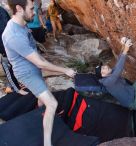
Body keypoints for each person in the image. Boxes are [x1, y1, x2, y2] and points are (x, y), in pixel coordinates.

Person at [2, 0, 76, 146]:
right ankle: (47, 143)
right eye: (31, 9)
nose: (35, 12)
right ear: (19, 8)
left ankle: (40, 118)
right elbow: (40, 62)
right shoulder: (13, 35)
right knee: (52, 103)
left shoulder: (21, 23)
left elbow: (33, 52)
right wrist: (65, 70)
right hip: (27, 74)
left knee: (42, 101)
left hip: (33, 69)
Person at [0, 6, 28, 95]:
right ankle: (16, 87)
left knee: (10, 66)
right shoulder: (2, 10)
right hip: (7, 44)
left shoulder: (2, 10)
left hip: (7, 44)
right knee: (11, 65)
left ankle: (16, 87)